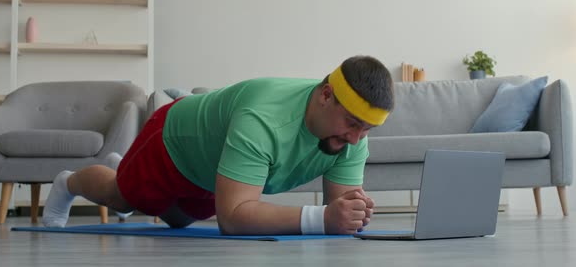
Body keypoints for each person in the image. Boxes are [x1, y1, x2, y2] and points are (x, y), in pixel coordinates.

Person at [43, 55, 395, 235]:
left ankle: (128, 168)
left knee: (181, 220)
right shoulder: (263, 118)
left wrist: (352, 214)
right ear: (325, 95)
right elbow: (234, 217)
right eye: (351, 124)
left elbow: (341, 212)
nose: (355, 140)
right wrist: (322, 218)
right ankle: (69, 182)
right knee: (123, 197)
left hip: (210, 169)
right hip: (173, 144)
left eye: (365, 130)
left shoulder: (352, 138)